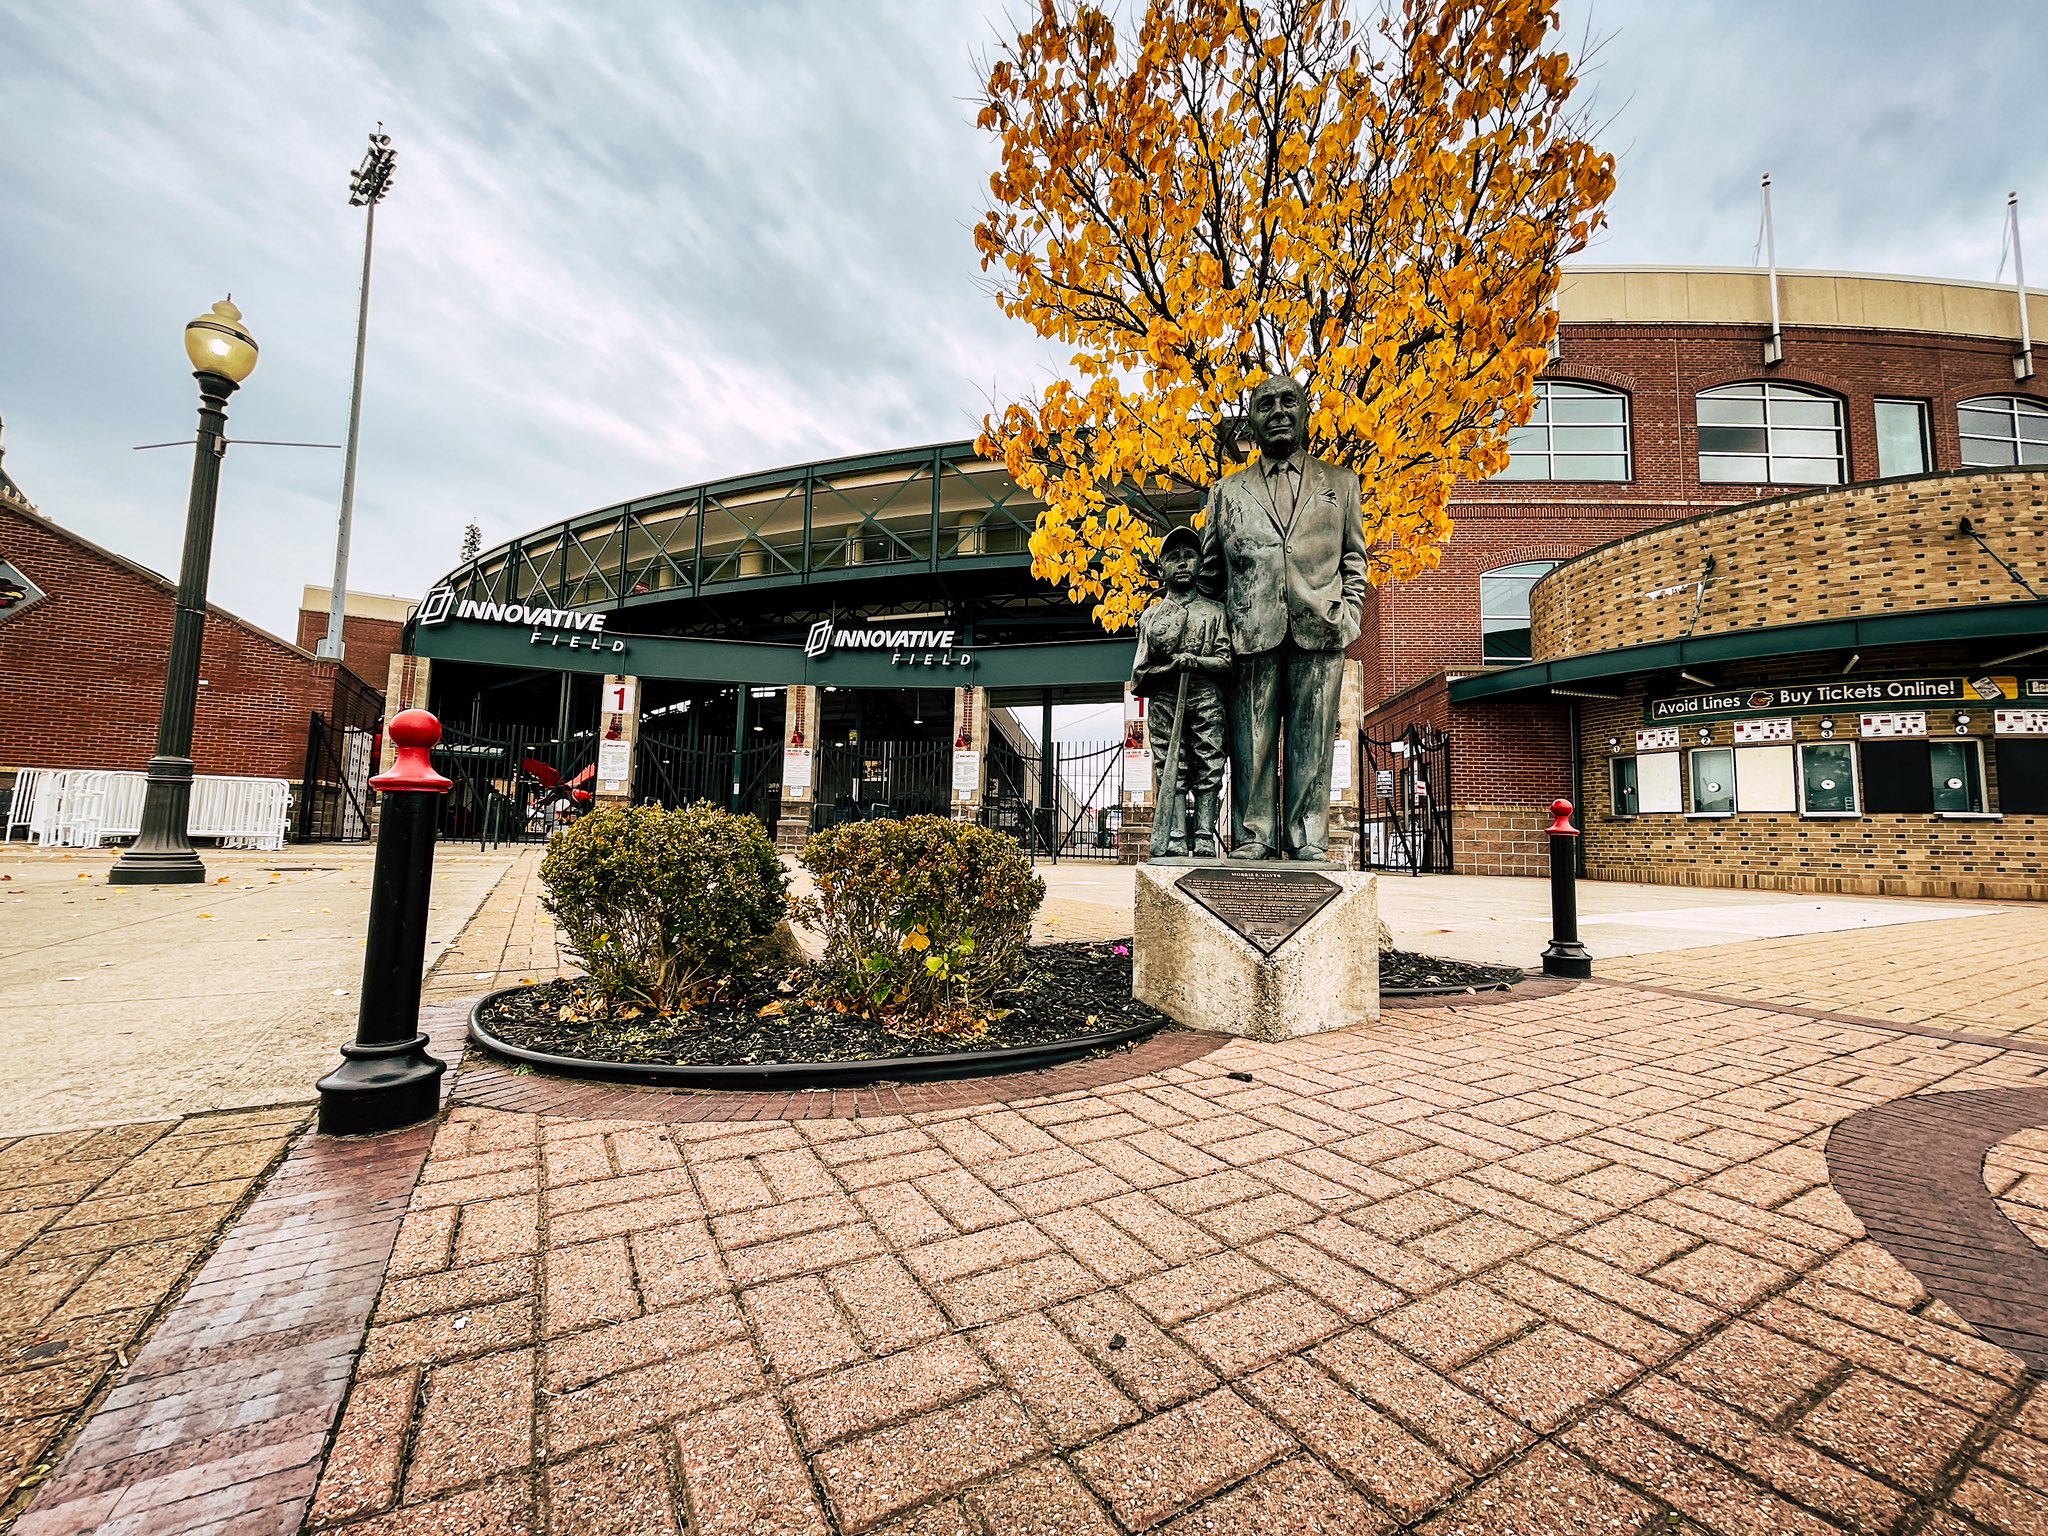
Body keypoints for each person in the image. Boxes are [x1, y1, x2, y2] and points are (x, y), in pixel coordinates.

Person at [1197, 374, 1368, 861]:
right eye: (1264, 403)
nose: (1277, 411)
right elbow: (1211, 573)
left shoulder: (1341, 482)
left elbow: (1355, 559)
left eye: (1287, 402)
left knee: (1312, 741)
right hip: (1252, 631)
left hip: (1322, 626)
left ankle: (1308, 837)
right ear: (1250, 420)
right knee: (1251, 742)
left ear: (1305, 414)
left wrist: (1348, 614)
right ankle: (1254, 835)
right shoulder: (1226, 492)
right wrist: (1219, 626)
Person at [1130, 525, 1231, 857]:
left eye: (1189, 556)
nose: (1183, 563)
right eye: (1173, 558)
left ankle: (1203, 835)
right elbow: (1140, 677)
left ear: (1200, 563)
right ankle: (1174, 835)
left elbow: (1225, 662)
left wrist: (1197, 663)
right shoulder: (1150, 618)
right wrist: (1172, 668)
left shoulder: (1215, 612)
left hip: (1205, 698)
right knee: (1171, 767)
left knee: (1209, 763)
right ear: (1162, 568)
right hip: (1166, 700)